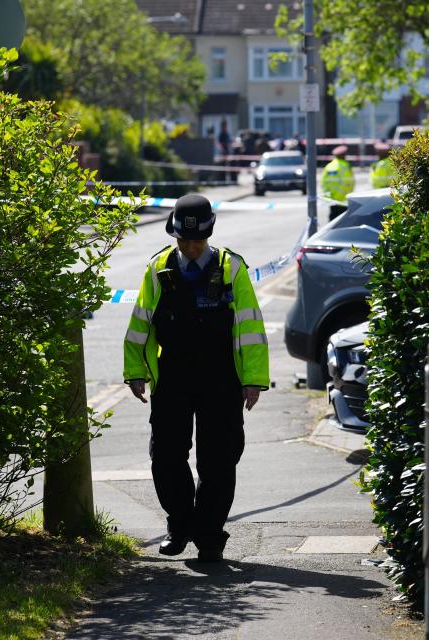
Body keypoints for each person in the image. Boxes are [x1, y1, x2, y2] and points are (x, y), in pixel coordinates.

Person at [122, 195, 270, 563]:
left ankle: (209, 534)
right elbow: (140, 322)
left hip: (221, 377)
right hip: (172, 374)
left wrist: (253, 379)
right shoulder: (157, 268)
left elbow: (250, 326)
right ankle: (180, 524)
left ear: (209, 234)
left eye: (197, 241)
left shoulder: (231, 268)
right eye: (183, 241)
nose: (190, 248)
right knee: (167, 454)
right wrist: (136, 371)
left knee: (219, 458)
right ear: (174, 236)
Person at [320, 144, 356, 222]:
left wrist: (328, 198)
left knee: (332, 223)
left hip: (332, 201)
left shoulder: (329, 166)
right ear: (343, 155)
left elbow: (324, 183)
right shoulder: (345, 165)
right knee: (343, 223)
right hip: (343, 201)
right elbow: (349, 182)